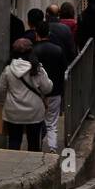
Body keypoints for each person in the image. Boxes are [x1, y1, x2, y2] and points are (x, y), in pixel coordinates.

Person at [0, 38, 52, 152]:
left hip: (13, 112)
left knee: (14, 141)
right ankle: (33, 168)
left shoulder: (8, 69)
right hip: (34, 113)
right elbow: (47, 88)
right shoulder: (37, 69)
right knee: (34, 143)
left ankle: (13, 165)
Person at [32, 21, 67, 153]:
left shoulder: (33, 51)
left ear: (36, 33)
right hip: (55, 91)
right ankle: (52, 147)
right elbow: (65, 69)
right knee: (52, 122)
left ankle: (37, 146)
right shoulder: (58, 50)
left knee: (37, 121)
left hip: (36, 92)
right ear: (49, 33)